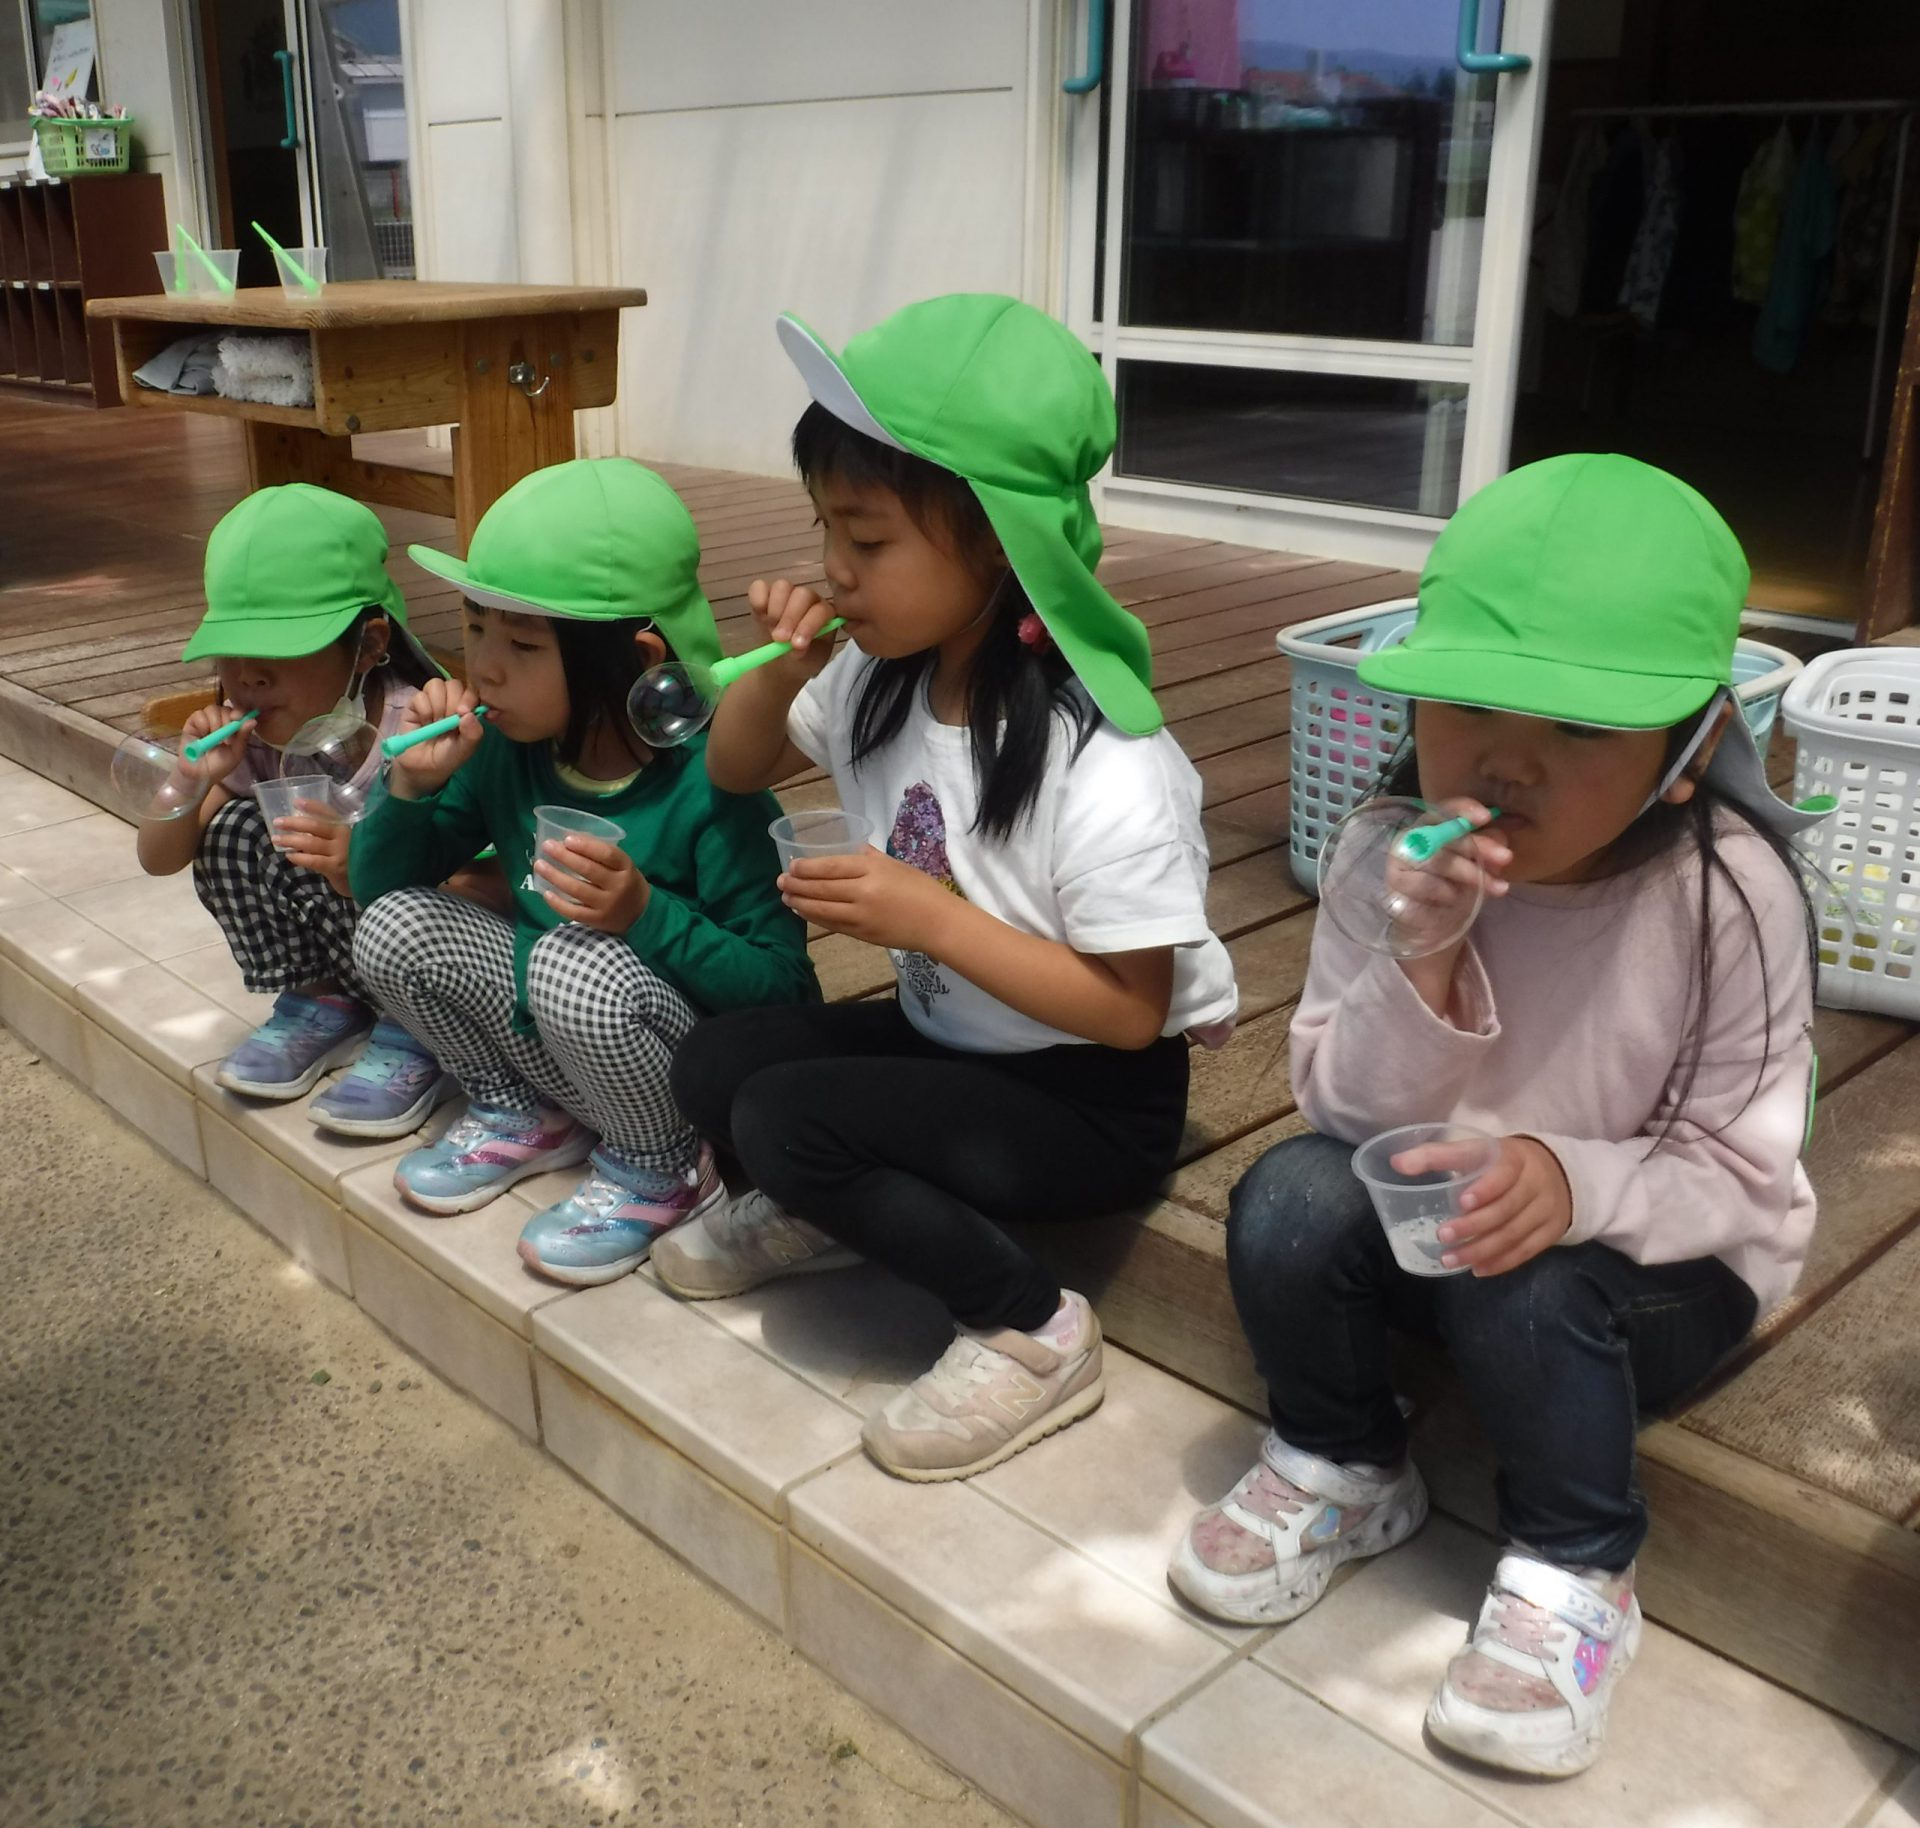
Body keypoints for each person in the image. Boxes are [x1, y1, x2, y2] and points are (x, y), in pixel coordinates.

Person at [1168, 454, 1821, 1778]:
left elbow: (1741, 1177)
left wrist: (1567, 1182)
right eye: (1468, 703)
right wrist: (1424, 953)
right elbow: (1340, 1110)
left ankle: (1579, 1564)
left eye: (1579, 726)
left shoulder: (1730, 894)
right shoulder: (1386, 851)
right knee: (1287, 1197)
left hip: (1651, 1268)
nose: (1510, 760)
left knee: (1526, 1286)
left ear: (1691, 751)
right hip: (1448, 1230)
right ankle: (1347, 1460)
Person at [655, 295, 1239, 1482]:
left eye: (868, 541)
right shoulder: (882, 677)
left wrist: (929, 918)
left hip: (1087, 1096)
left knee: (783, 1118)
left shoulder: (1106, 756)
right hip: (953, 1041)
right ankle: (827, 1206)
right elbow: (734, 767)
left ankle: (1032, 1328)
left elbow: (1131, 1011)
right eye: (826, 527)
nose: (833, 568)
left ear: (999, 541)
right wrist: (784, 672)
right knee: (716, 1063)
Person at [348, 458, 818, 1286]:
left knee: (574, 957)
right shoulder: (505, 752)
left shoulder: (715, 786)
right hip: (555, 1039)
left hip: (680, 1075)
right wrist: (412, 788)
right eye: (476, 629)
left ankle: (662, 1167)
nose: (485, 668)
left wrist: (644, 914)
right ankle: (520, 1113)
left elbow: (785, 993)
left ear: (640, 659)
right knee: (394, 928)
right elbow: (381, 887)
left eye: (524, 644)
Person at [133, 484, 454, 1136]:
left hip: (423, 963)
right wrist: (191, 780)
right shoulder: (258, 740)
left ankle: (415, 1034)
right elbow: (157, 859)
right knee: (229, 830)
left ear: (369, 645)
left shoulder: (419, 733)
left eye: (280, 650)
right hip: (347, 957)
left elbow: (465, 887)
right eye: (232, 652)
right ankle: (322, 1003)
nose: (248, 676)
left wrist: (360, 864)